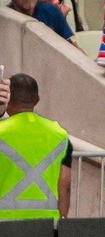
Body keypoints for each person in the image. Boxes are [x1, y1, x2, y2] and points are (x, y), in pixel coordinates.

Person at [0, 73, 71, 221]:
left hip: (4, 224)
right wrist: (62, 223)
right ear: (37, 100)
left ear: (9, 98)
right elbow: (64, 185)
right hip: (46, 225)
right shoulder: (60, 135)